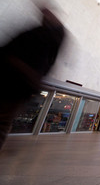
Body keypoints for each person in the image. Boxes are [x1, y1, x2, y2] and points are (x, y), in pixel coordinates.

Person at [0, 8, 65, 150]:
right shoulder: (41, 35)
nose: (45, 16)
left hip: (15, 83)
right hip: (16, 82)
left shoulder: (47, 37)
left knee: (3, 120)